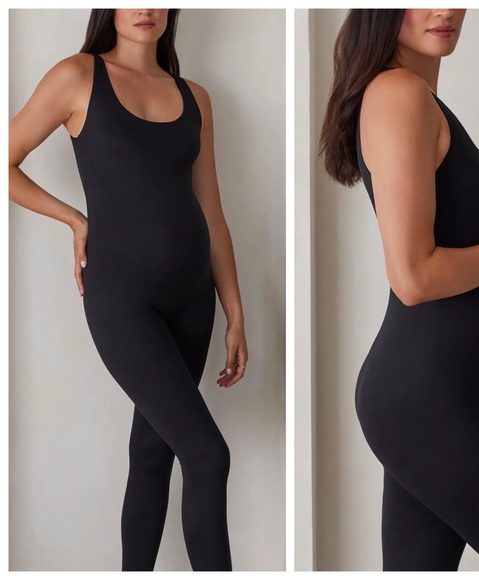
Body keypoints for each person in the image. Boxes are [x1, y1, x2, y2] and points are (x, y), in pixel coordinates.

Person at [320, 8, 479, 571]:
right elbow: (413, 276)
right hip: (427, 402)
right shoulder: (398, 93)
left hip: (439, 398)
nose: (446, 9)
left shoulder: (416, 98)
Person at [9, 8, 248, 572]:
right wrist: (73, 218)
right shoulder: (77, 75)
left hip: (193, 301)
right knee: (208, 454)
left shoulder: (195, 97)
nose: (145, 9)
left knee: (152, 452)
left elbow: (212, 212)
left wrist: (235, 310)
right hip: (121, 298)